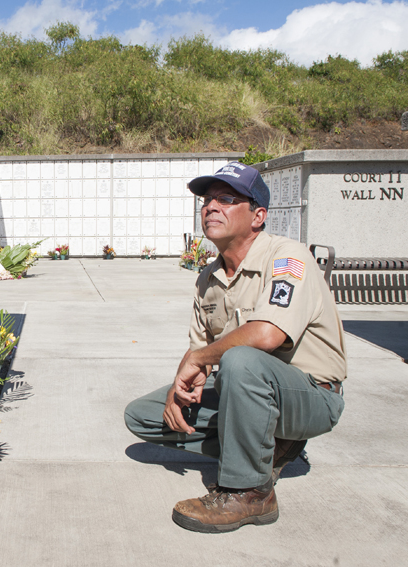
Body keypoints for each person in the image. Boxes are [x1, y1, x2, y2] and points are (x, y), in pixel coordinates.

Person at [124, 161, 347, 533]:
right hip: (249, 389)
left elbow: (267, 336)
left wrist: (200, 358)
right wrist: (180, 385)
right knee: (143, 414)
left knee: (242, 359)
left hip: (311, 396)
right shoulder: (208, 278)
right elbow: (200, 347)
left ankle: (249, 491)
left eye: (226, 198)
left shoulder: (288, 258)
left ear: (258, 215)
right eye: (207, 200)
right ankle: (270, 444)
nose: (211, 207)